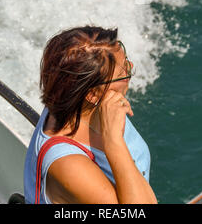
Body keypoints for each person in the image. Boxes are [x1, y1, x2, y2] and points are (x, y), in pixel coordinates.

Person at [24, 25, 157, 204]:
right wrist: (113, 142)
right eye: (123, 72)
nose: (130, 69)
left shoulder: (75, 100)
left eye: (127, 62)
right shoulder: (68, 165)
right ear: (92, 94)